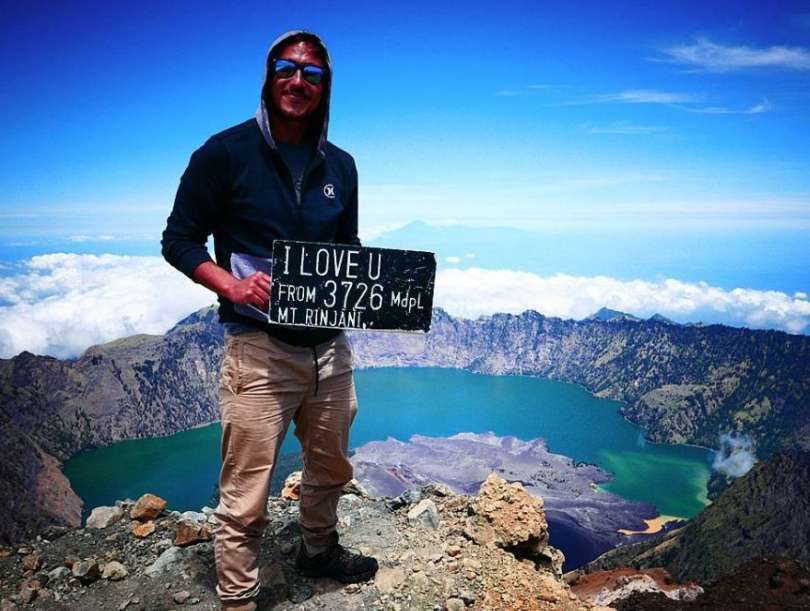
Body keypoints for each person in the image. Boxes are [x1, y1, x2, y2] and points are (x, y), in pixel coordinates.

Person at [161, 30, 378, 610]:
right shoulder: (224, 153)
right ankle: (238, 598)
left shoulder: (343, 166)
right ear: (269, 75)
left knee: (331, 464)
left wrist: (378, 291)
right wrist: (231, 285)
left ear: (325, 87)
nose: (298, 81)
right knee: (247, 490)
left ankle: (318, 548)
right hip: (258, 348)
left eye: (312, 73)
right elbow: (178, 240)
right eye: (287, 67)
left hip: (329, 348)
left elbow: (347, 246)